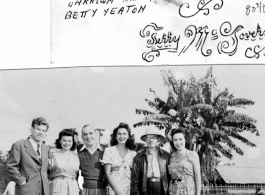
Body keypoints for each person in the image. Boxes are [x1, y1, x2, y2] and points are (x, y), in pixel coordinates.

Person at [7, 117, 50, 195]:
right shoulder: (19, 145)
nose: (41, 132)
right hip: (26, 190)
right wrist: (21, 181)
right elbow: (11, 166)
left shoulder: (46, 148)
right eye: (38, 129)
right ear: (31, 129)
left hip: (44, 191)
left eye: (43, 130)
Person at [131, 127, 171, 195]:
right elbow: (135, 179)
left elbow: (170, 177)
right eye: (148, 137)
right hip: (145, 187)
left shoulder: (166, 156)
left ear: (158, 139)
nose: (151, 140)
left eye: (154, 137)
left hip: (161, 187)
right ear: (145, 139)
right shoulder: (138, 157)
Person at [100, 123, 137, 195]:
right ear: (115, 136)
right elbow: (107, 173)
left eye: (124, 134)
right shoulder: (109, 150)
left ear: (128, 136)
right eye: (119, 134)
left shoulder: (133, 154)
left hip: (129, 188)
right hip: (114, 188)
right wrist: (117, 191)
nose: (122, 136)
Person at [168, 128, 201, 195]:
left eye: (180, 139)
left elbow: (198, 177)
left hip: (188, 191)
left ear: (185, 140)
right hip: (173, 191)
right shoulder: (172, 157)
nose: (178, 142)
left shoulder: (192, 155)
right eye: (175, 140)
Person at [77, 124, 107, 195]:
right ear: (82, 137)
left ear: (96, 134)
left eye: (91, 133)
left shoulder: (106, 150)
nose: (88, 137)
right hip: (82, 190)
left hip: (101, 190)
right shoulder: (77, 150)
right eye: (85, 134)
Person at [49, 129, 80, 195]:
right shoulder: (53, 155)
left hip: (73, 187)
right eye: (64, 140)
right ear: (60, 141)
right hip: (58, 187)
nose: (67, 143)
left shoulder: (76, 156)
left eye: (69, 141)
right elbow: (46, 172)